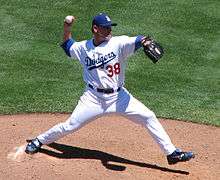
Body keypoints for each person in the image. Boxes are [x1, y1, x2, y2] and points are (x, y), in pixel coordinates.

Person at [25, 13, 195, 165]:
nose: (109, 30)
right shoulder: (84, 48)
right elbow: (67, 45)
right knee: (70, 125)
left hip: (119, 97)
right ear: (95, 29)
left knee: (148, 116)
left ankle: (171, 153)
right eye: (105, 28)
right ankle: (39, 141)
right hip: (93, 99)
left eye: (110, 27)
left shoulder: (118, 43)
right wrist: (67, 27)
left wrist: (146, 41)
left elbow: (138, 39)